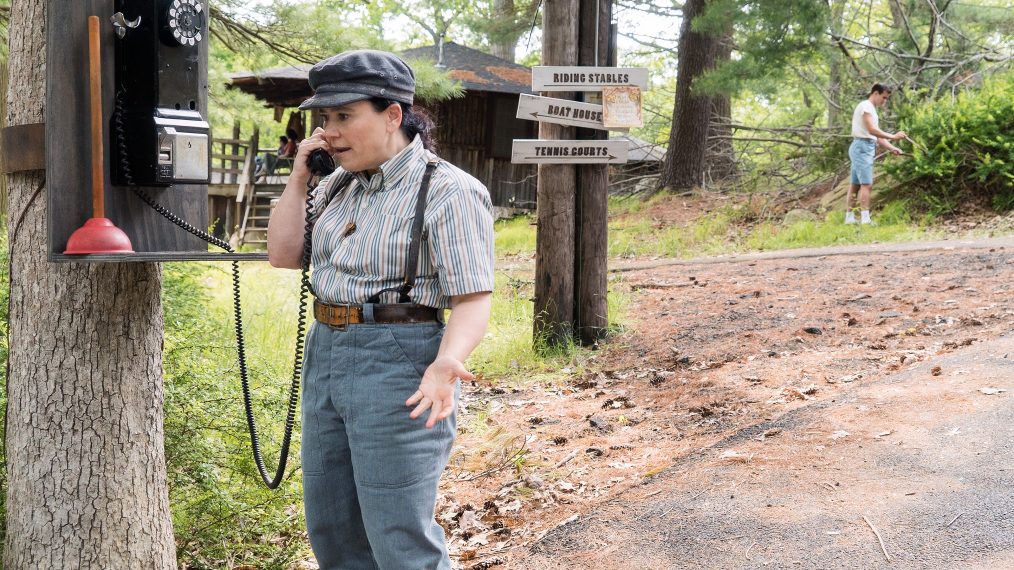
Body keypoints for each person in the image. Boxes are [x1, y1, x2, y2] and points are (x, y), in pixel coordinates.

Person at [266, 49, 494, 570]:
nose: (330, 132)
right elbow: (282, 255)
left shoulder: (449, 190)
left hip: (399, 359)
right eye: (325, 119)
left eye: (344, 116)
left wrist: (444, 365)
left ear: (393, 114)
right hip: (327, 354)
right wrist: (301, 175)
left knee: (398, 536)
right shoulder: (337, 185)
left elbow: (473, 296)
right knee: (334, 529)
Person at [847, 83, 905, 225]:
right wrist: (893, 136)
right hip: (862, 147)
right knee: (867, 184)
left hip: (862, 146)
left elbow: (877, 137)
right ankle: (865, 219)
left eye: (887, 99)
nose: (884, 101)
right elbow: (872, 130)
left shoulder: (871, 109)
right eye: (883, 98)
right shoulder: (866, 106)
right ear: (875, 93)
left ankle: (849, 219)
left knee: (855, 185)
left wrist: (892, 148)